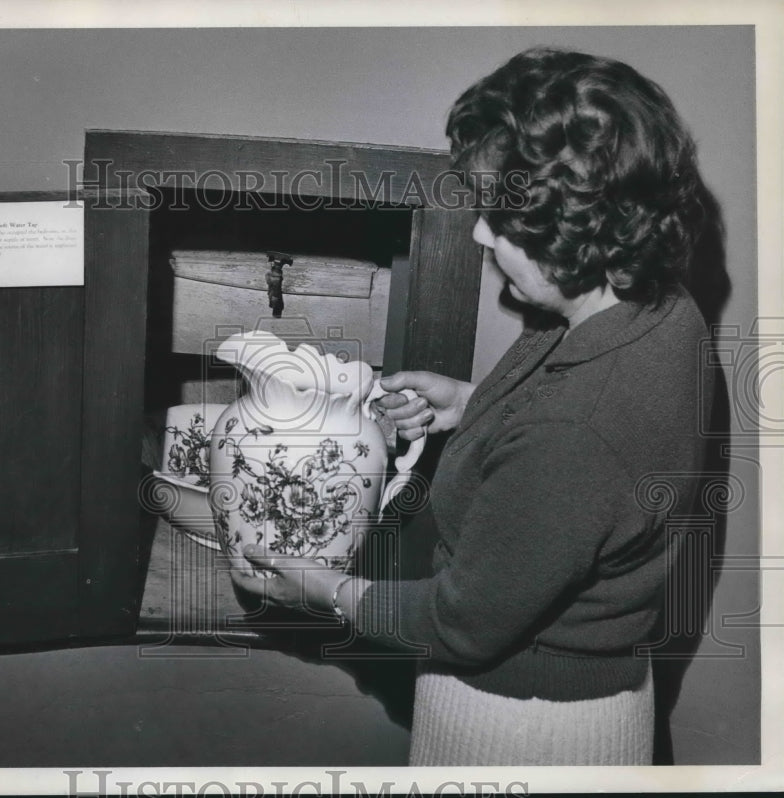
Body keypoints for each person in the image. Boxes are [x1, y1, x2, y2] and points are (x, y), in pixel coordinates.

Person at [230, 47, 713, 765]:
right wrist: (476, 404)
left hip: (521, 728)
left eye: (504, 223)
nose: (482, 233)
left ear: (578, 234)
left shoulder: (575, 430)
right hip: (580, 702)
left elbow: (462, 623)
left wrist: (325, 588)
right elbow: (587, 445)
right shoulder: (658, 307)